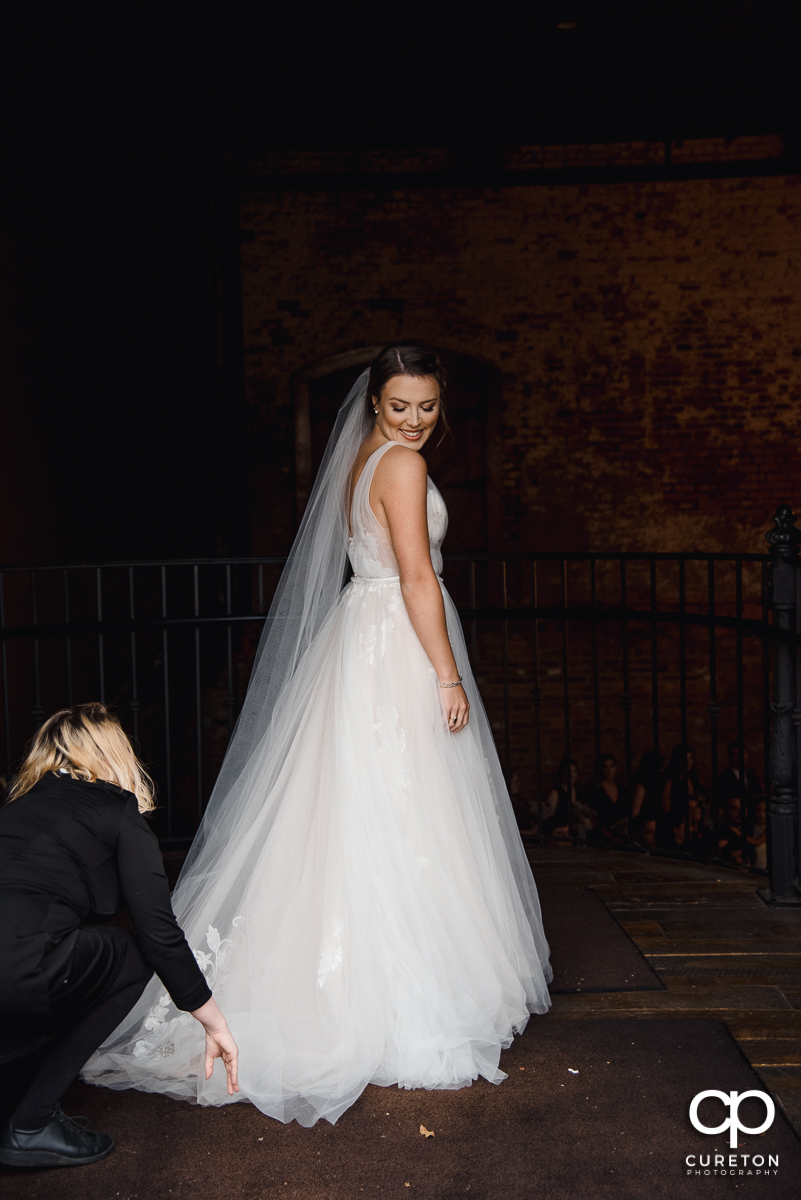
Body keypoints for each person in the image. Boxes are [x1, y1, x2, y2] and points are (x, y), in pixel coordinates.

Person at [83, 343, 552, 1127]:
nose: (413, 422)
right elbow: (413, 576)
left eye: (427, 407)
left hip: (359, 640)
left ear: (442, 405)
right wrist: (444, 673)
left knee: (355, 811)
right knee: (407, 811)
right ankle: (403, 1000)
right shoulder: (399, 465)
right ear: (374, 403)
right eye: (399, 406)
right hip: (396, 642)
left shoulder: (362, 459)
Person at [0, 704, 238, 1169]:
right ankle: (30, 1123)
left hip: (15, 963)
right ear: (114, 754)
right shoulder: (116, 809)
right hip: (16, 972)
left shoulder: (15, 809)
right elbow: (159, 933)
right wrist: (214, 1022)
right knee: (131, 956)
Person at [588, 753, 628, 846]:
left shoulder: (621, 787)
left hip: (622, 834)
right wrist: (612, 838)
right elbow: (594, 817)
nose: (609, 770)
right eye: (605, 767)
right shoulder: (595, 789)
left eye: (612, 766)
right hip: (603, 836)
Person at [631, 749, 663, 851]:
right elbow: (635, 813)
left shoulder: (657, 784)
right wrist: (636, 830)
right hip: (645, 825)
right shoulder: (641, 786)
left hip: (655, 824)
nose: (661, 771)